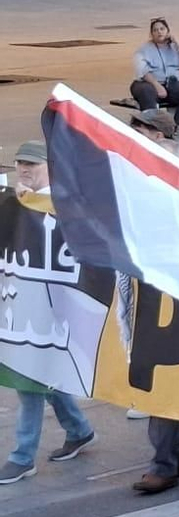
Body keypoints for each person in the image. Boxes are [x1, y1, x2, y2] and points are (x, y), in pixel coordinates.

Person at [0, 145, 97, 486]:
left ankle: (22, 457)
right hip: (23, 303)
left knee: (29, 380)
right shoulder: (16, 201)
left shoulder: (65, 204)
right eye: (20, 163)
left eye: (31, 164)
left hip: (54, 307)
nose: (24, 169)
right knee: (43, 376)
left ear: (49, 167)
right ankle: (79, 429)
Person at [131, 17, 179, 130]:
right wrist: (157, 85)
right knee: (146, 92)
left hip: (171, 83)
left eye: (162, 29)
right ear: (151, 34)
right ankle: (152, 126)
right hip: (148, 83)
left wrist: (177, 42)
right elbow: (142, 70)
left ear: (168, 31)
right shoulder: (144, 49)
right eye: (155, 30)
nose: (159, 32)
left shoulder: (175, 47)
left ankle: (175, 125)